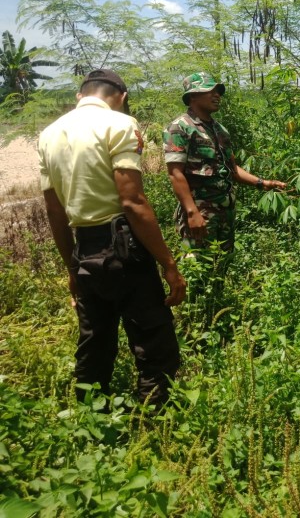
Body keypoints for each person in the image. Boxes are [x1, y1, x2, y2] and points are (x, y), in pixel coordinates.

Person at [38, 69, 186, 407]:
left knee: (95, 340)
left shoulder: (48, 134)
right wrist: (168, 264)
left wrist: (72, 268)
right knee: (153, 337)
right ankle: (155, 417)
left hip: (84, 249)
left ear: (80, 95)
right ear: (122, 96)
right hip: (123, 247)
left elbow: (54, 212)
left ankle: (91, 417)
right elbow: (132, 202)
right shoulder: (120, 124)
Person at [162, 72, 286, 253]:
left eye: (218, 92)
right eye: (210, 91)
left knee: (223, 263)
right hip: (200, 213)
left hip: (225, 211)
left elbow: (232, 169)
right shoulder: (180, 127)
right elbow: (175, 173)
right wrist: (191, 212)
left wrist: (262, 183)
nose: (217, 95)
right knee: (198, 264)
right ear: (193, 96)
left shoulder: (220, 130)